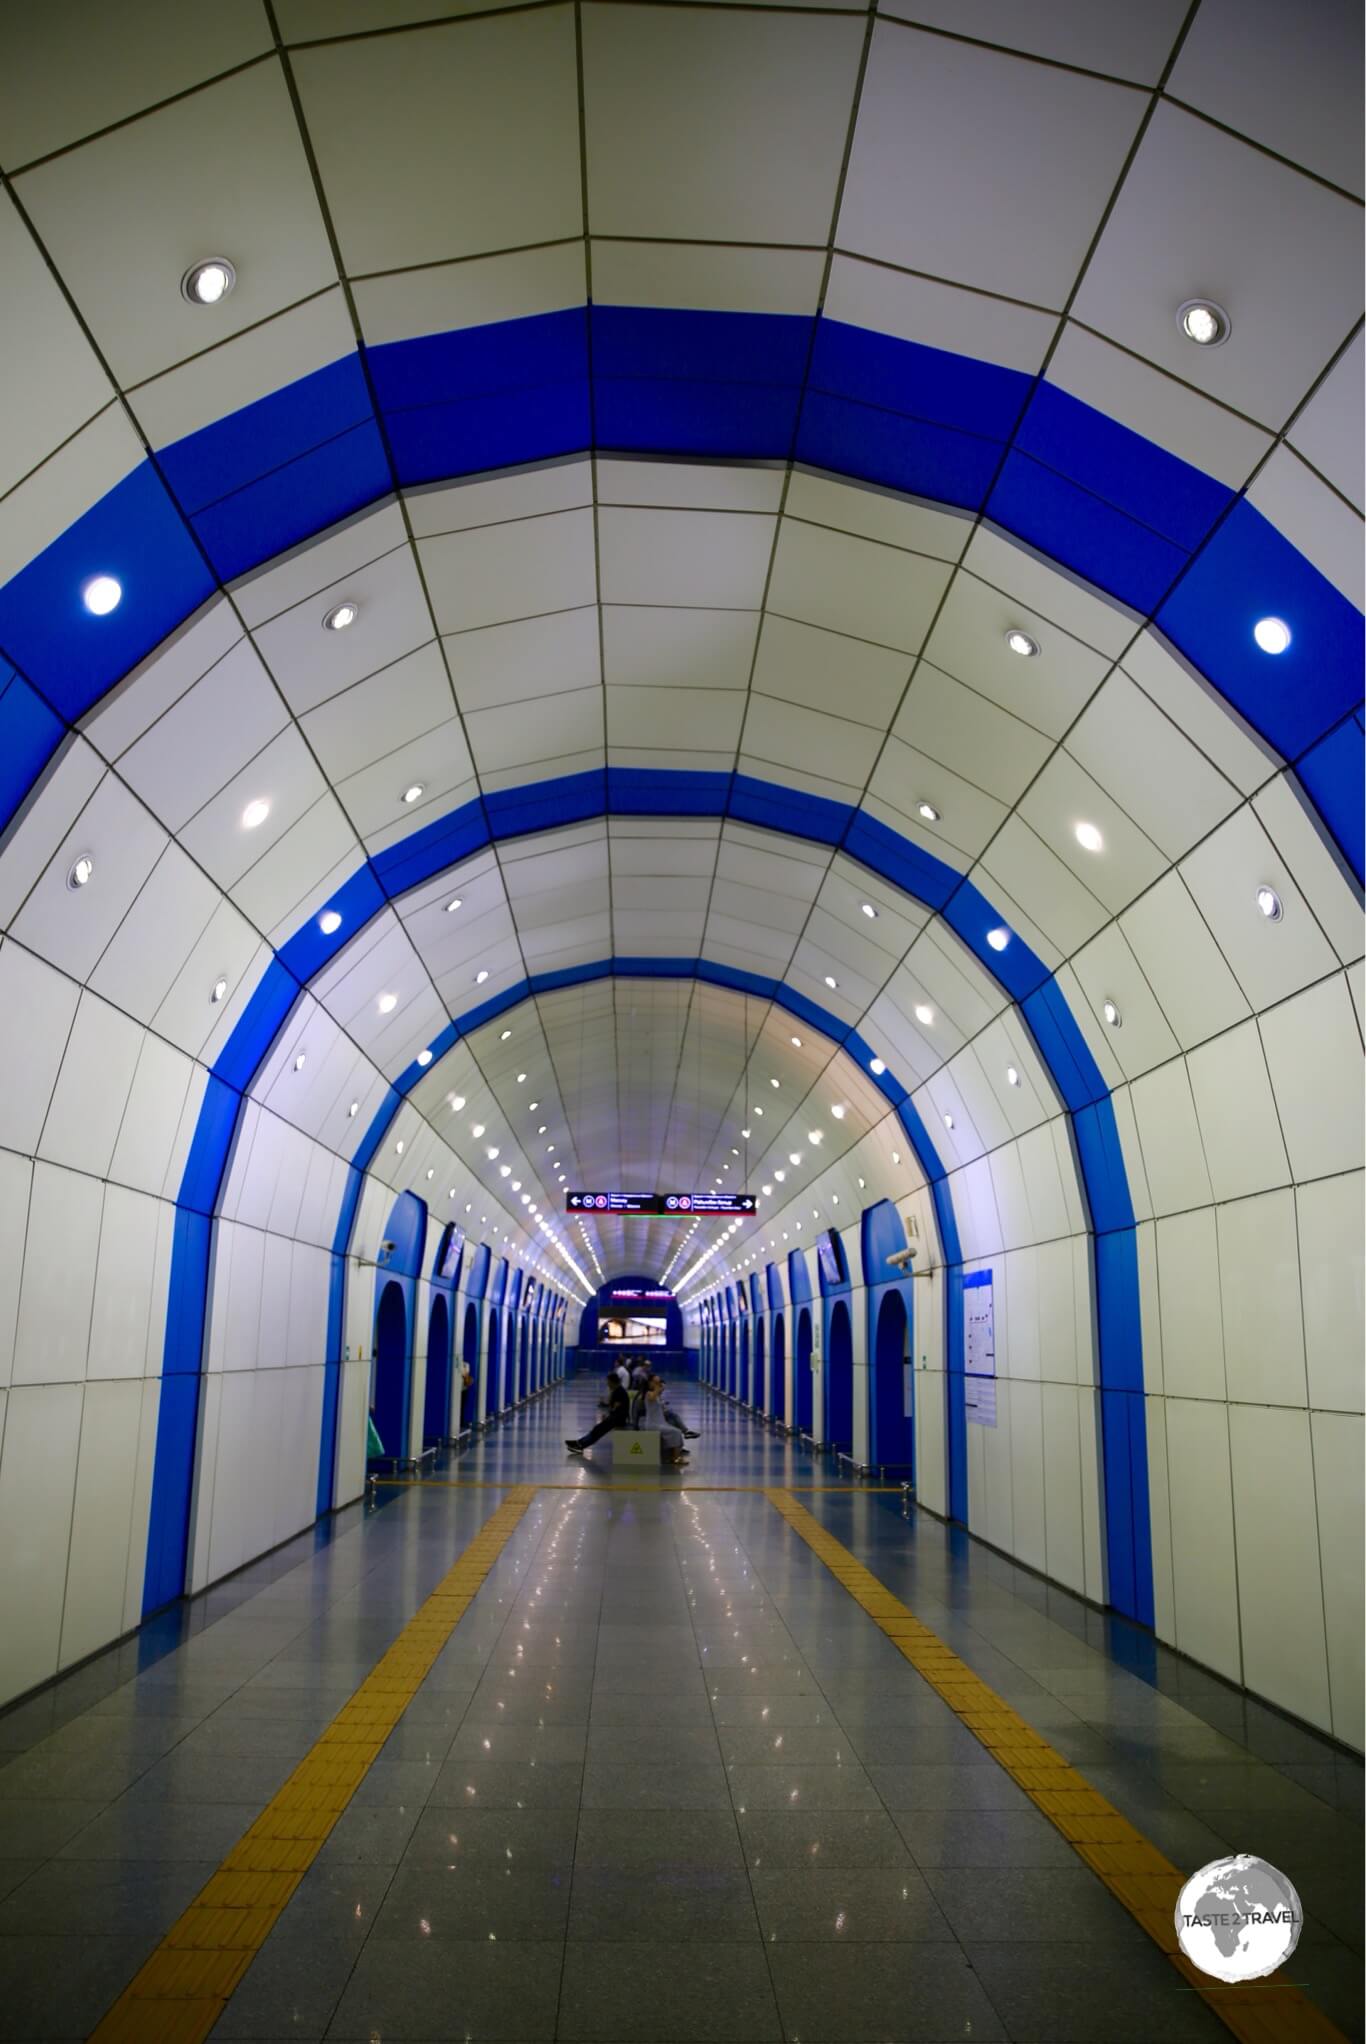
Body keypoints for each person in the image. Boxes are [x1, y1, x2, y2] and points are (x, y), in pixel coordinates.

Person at [567, 1373, 629, 1453]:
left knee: (599, 1430)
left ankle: (581, 1445)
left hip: (619, 1419)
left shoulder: (619, 1392)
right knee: (597, 1429)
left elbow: (616, 1408)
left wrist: (608, 1416)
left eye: (608, 1382)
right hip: (616, 1417)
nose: (607, 1384)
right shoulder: (618, 1390)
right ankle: (579, 1442)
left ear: (612, 1382)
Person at [641, 1376, 688, 1465]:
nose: (658, 1385)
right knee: (676, 1432)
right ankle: (676, 1458)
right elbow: (652, 1398)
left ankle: (675, 1455)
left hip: (660, 1422)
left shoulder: (657, 1395)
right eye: (655, 1383)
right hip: (653, 1424)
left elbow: (659, 1405)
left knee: (675, 1429)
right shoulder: (648, 1394)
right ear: (650, 1383)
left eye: (658, 1383)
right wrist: (658, 1389)